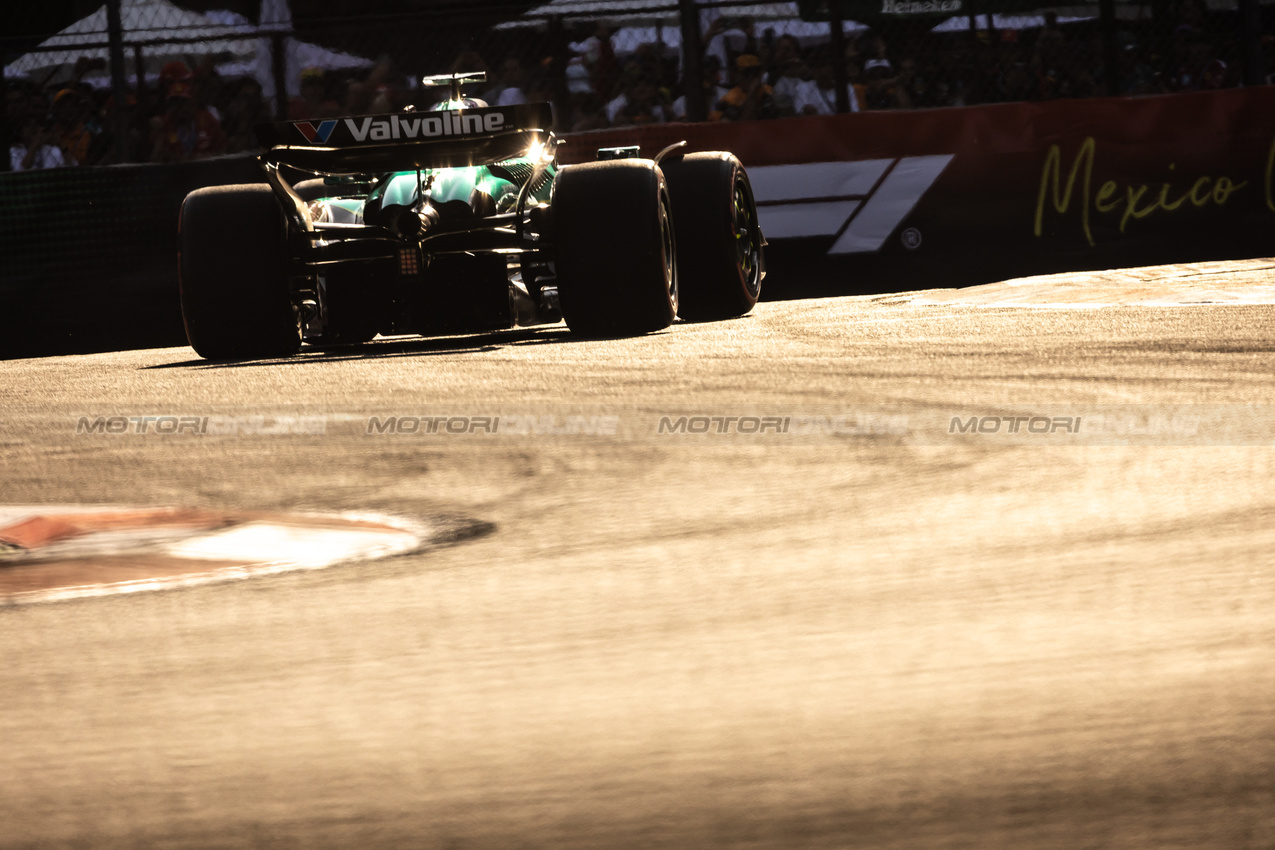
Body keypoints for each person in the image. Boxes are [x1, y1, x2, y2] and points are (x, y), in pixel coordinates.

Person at [716, 54, 778, 121]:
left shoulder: (767, 91)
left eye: (755, 73)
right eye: (746, 73)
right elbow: (744, 123)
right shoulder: (729, 98)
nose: (751, 77)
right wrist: (751, 94)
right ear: (738, 75)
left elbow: (768, 119)